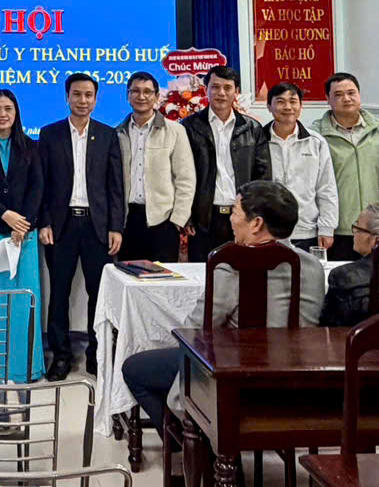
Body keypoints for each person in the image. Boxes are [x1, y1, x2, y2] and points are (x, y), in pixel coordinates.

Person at [122, 182, 324, 443]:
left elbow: (197, 329)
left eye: (236, 212)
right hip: (294, 382)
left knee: (135, 368)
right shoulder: (312, 267)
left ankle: (189, 445)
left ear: (256, 224)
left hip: (233, 379)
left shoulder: (230, 264)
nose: (230, 219)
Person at [38, 72, 124, 381]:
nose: (82, 100)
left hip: (97, 227)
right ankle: (61, 356)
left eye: (88, 95)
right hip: (60, 226)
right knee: (59, 293)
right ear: (67, 97)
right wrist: (44, 222)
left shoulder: (107, 134)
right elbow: (42, 184)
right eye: (77, 94)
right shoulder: (49, 134)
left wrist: (116, 227)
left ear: (96, 99)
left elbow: (115, 185)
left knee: (98, 294)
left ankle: (96, 355)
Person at [0, 89, 44, 382]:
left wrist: (21, 224)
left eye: (8, 109)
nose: (3, 114)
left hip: (24, 237)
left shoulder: (32, 147)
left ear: (16, 113)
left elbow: (38, 187)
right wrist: (4, 215)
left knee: (23, 304)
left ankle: (24, 367)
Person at [182, 65, 270, 261]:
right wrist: (187, 215)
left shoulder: (252, 128)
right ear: (206, 90)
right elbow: (181, 175)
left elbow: (263, 177)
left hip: (242, 217)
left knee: (243, 272)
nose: (221, 93)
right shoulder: (189, 127)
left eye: (227, 88)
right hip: (204, 219)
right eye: (215, 87)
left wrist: (256, 215)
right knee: (203, 273)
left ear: (236, 91)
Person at [115, 71, 196, 263]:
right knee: (129, 277)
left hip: (163, 222)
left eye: (147, 91)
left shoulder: (175, 131)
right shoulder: (117, 133)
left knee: (163, 279)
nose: (141, 96)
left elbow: (186, 178)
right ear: (127, 95)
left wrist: (177, 220)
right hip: (128, 221)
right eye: (135, 91)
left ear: (157, 96)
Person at [312, 72, 379, 261]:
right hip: (336, 229)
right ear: (327, 99)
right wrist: (325, 225)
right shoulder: (315, 135)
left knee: (377, 277)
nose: (346, 99)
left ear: (359, 95)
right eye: (338, 95)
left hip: (375, 228)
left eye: (351, 93)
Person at [265, 82, 338, 252]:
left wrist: (327, 227)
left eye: (293, 101)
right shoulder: (258, 140)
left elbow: (326, 187)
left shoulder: (316, 142)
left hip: (306, 231)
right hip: (267, 230)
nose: (287, 107)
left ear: (301, 106)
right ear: (269, 106)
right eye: (280, 101)